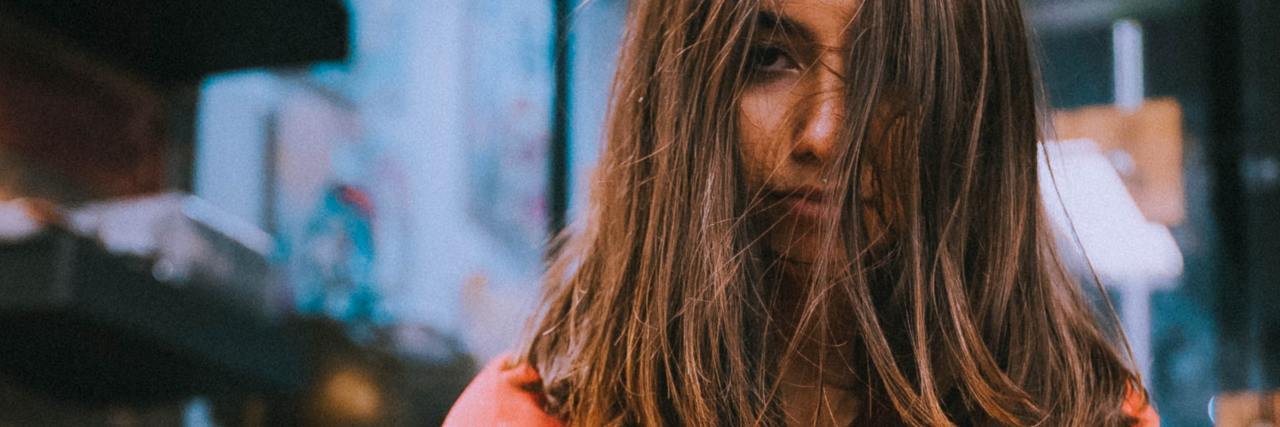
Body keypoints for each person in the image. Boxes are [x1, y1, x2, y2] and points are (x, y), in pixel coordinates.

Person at [447, 0, 1160, 425]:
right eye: (767, 59)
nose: (825, 135)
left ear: (970, 113)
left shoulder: (1090, 416)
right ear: (682, 94)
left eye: (894, 75)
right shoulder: (526, 418)